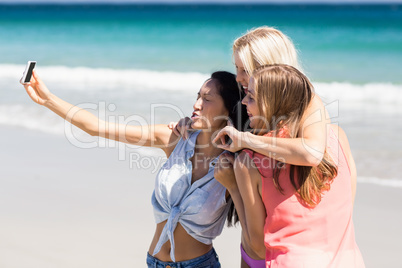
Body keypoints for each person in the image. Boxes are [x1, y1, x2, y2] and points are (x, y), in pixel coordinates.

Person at [21, 70, 247, 267]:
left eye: (207, 99)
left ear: (228, 110)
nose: (196, 104)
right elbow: (96, 127)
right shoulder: (174, 138)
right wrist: (47, 99)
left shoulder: (235, 163)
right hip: (154, 262)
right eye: (198, 96)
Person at [170, 26, 337, 267]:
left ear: (269, 65)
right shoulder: (253, 102)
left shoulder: (307, 101)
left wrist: (245, 140)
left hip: (282, 246)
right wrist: (191, 123)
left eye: (244, 69)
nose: (238, 77)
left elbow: (311, 152)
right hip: (253, 238)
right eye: (237, 68)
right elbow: (221, 121)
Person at [216, 64, 365, 268]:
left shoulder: (248, 162)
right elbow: (348, 208)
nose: (243, 102)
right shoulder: (337, 137)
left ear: (272, 104)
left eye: (251, 97)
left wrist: (232, 186)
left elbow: (258, 247)